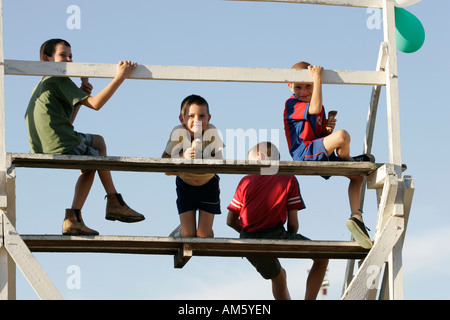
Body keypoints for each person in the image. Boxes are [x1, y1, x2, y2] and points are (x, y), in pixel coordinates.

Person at [25, 38, 145, 236]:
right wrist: (120, 77)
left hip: (45, 144)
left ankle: (100, 205)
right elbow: (97, 104)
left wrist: (79, 100)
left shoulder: (45, 83)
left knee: (98, 141)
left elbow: (67, 123)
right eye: (63, 55)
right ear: (45, 59)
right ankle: (104, 206)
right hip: (58, 143)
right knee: (93, 157)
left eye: (71, 56)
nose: (69, 60)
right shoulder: (59, 79)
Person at [283, 61, 373, 249]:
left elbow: (320, 133)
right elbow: (314, 109)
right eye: (299, 87)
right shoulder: (292, 104)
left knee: (357, 176)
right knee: (342, 136)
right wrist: (317, 79)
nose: (304, 91)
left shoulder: (320, 108)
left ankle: (356, 217)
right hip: (304, 152)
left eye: (308, 86)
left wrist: (325, 130)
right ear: (289, 86)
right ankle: (347, 160)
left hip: (317, 149)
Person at [227, 142, 328, 300]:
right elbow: (293, 224)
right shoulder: (288, 177)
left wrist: (250, 232)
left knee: (279, 276)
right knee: (322, 257)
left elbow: (230, 221)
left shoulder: (245, 180)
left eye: (249, 162)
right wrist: (289, 242)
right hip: (276, 236)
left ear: (260, 158)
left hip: (247, 241)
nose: (248, 167)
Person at [162, 94, 224, 237]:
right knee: (188, 235)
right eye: (191, 116)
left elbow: (219, 160)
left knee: (203, 234)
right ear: (182, 119)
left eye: (202, 116)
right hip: (186, 186)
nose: (197, 120)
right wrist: (182, 157)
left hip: (208, 185)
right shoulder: (178, 132)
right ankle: (181, 230)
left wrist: (201, 154)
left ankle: (205, 230)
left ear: (209, 118)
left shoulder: (211, 131)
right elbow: (164, 160)